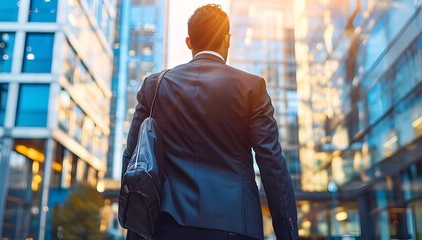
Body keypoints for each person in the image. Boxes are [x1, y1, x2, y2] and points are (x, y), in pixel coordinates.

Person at [122, 4, 298, 240]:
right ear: (227, 40)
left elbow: (133, 157)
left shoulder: (154, 86)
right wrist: (288, 234)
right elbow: (272, 164)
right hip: (236, 225)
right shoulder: (251, 88)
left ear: (189, 42)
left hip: (167, 227)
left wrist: (135, 230)